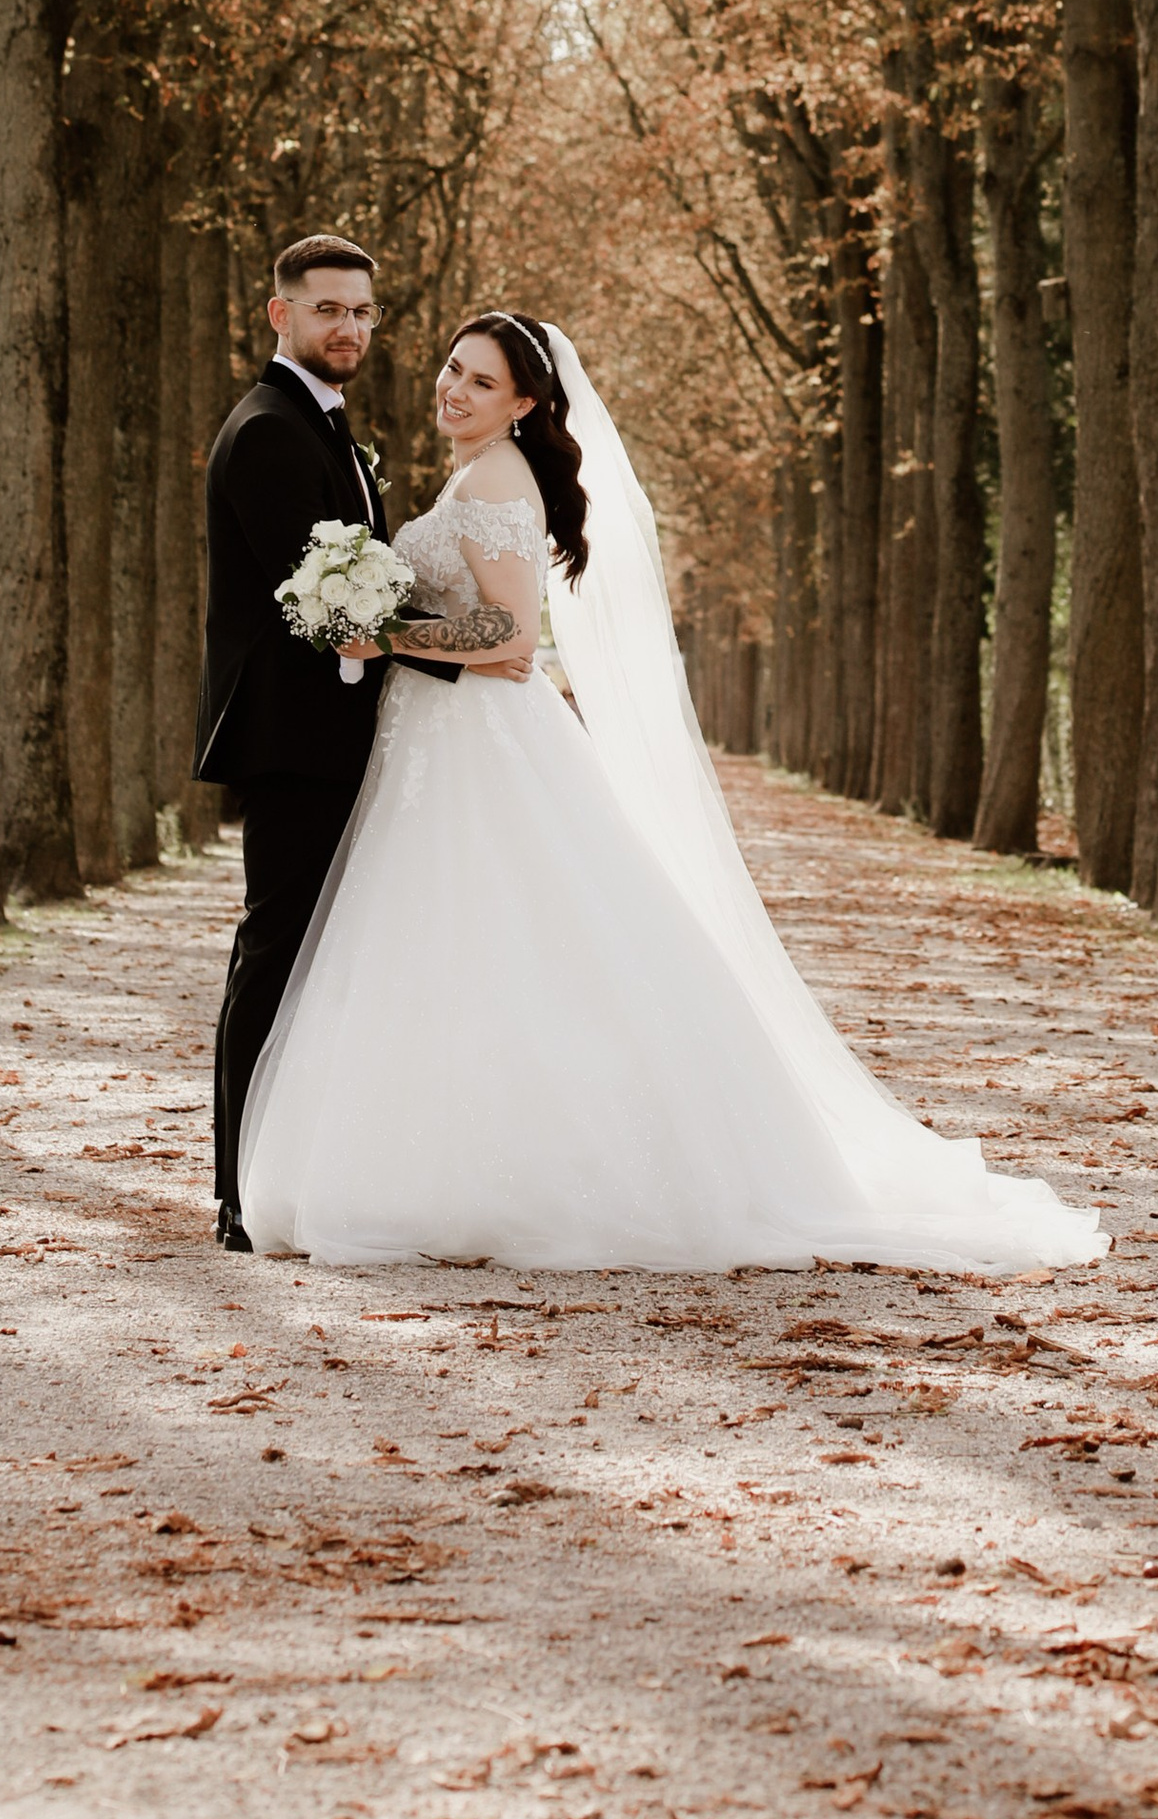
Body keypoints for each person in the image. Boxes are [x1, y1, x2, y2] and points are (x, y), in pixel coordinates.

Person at [235, 309, 1106, 1275]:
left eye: (481, 382)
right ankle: (449, 1161)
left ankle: (494, 1177)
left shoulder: (494, 478)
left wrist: (381, 632)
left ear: (525, 402)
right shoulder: (476, 470)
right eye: (452, 368)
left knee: (491, 940)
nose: (454, 388)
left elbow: (513, 644)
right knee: (460, 948)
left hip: (480, 748)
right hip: (439, 746)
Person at [199, 236, 523, 1253]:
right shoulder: (266, 433)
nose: (347, 328)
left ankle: (299, 1168)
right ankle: (239, 1191)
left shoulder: (326, 427)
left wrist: (441, 651)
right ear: (278, 314)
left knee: (324, 960)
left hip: (349, 734)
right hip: (295, 739)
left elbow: (361, 597)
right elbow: (321, 605)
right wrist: (458, 654)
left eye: (362, 312)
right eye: (327, 309)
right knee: (275, 951)